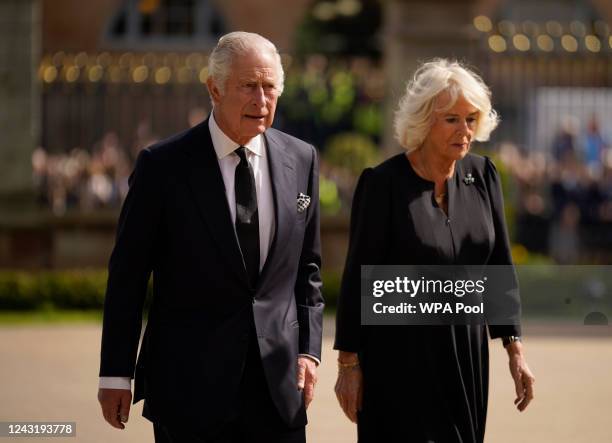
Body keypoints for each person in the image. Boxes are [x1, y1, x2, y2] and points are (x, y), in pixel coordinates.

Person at [97, 32, 324, 443]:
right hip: (189, 390)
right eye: (248, 86)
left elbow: (307, 269)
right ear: (213, 88)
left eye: (270, 86)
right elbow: (127, 277)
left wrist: (309, 351)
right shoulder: (162, 166)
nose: (261, 99)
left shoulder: (302, 158)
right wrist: (116, 372)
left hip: (278, 391)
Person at [334, 59, 535, 442]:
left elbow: (499, 268)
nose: (465, 131)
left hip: (466, 353)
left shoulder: (484, 175)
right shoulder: (383, 185)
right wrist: (348, 364)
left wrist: (515, 349)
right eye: (451, 120)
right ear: (425, 120)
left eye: (471, 119)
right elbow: (357, 277)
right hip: (400, 357)